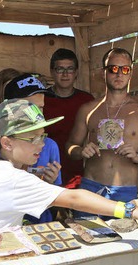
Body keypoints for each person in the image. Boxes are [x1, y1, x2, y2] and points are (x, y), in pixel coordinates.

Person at [0, 99, 138, 231]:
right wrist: (131, 211)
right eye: (32, 139)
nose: (42, 145)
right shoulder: (14, 179)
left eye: (42, 136)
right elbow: (73, 197)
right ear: (6, 143)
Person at [66, 48, 138, 218]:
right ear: (103, 73)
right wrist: (80, 151)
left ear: (130, 73)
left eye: (124, 69)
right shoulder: (88, 110)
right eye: (113, 69)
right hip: (91, 188)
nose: (119, 74)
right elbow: (70, 146)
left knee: (124, 242)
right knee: (87, 239)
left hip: (124, 192)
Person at [0, 73, 62, 223]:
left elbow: (57, 190)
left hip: (38, 223)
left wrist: (51, 180)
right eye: (29, 107)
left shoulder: (50, 145)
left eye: (40, 107)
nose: (36, 114)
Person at [43, 48, 95, 187]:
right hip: (46, 170)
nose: (65, 74)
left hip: (79, 171)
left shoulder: (87, 101)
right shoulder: (41, 100)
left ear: (76, 72)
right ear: (52, 72)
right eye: (60, 69)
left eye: (70, 69)